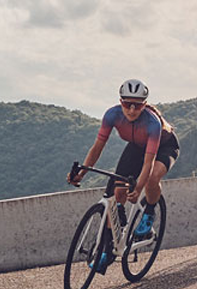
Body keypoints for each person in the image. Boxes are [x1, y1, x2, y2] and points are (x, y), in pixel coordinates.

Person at [67, 79, 179, 270]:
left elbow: (148, 163)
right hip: (136, 147)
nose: (132, 110)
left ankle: (150, 212)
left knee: (151, 178)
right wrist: (83, 172)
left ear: (145, 105)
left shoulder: (152, 123)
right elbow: (97, 148)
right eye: (127, 104)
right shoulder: (112, 115)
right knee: (116, 193)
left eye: (137, 105)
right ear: (121, 102)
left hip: (163, 149)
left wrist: (138, 188)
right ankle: (111, 247)